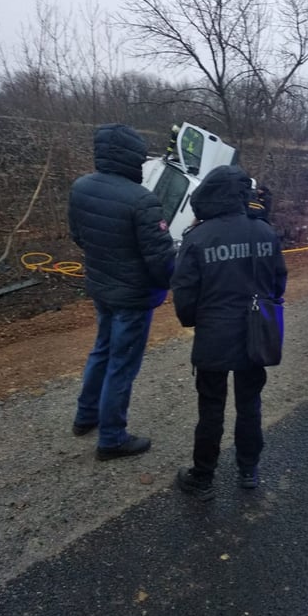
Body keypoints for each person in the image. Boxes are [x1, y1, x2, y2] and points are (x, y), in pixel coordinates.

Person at [172, 165, 287, 500]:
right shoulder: (265, 232)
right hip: (257, 333)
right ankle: (248, 469)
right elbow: (278, 283)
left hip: (214, 335)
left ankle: (203, 477)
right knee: (250, 402)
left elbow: (184, 295)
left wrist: (196, 321)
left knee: (211, 407)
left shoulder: (197, 237)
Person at [69, 124, 176, 461]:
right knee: (122, 363)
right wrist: (168, 283)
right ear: (133, 157)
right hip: (133, 296)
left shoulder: (81, 187)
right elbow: (160, 260)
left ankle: (85, 416)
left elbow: (78, 235)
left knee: (101, 349)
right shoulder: (142, 200)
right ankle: (112, 438)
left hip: (101, 286)